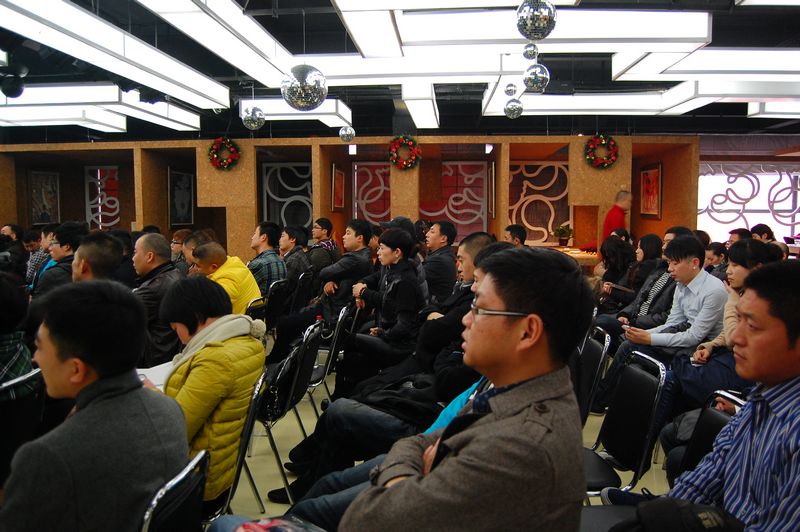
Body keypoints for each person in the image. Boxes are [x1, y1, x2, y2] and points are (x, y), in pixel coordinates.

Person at [335, 247, 594, 531]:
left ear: (528, 331)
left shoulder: (519, 448)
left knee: (319, 506)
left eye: (479, 309)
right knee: (331, 482)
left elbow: (364, 520)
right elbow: (422, 441)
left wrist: (400, 478)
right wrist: (413, 466)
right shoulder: (515, 387)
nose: (466, 319)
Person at [270, 233, 495, 506]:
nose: (469, 318)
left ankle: (314, 465)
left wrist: (394, 322)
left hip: (416, 380)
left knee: (351, 371)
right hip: (419, 376)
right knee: (354, 372)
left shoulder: (410, 279)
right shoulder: (404, 275)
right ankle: (315, 472)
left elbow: (432, 342)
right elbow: (429, 320)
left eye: (384, 248)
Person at [601, 260, 800, 531]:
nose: (735, 338)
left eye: (753, 326)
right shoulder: (761, 397)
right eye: (738, 319)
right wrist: (666, 513)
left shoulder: (791, 426)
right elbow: (711, 472)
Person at [0, 281, 188, 532]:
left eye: (40, 347)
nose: (35, 358)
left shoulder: (47, 457)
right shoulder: (169, 409)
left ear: (76, 369)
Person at [157, 277, 265, 515]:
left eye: (176, 329)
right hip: (219, 468)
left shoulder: (215, 360)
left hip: (194, 482)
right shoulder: (246, 342)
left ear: (195, 317)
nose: (179, 338)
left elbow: (176, 431)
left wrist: (151, 399)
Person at [594, 235, 728, 409]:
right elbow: (672, 322)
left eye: (675, 263)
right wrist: (644, 334)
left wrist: (649, 338)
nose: (670, 269)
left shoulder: (714, 291)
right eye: (669, 263)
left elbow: (694, 336)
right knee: (629, 343)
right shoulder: (682, 283)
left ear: (695, 263)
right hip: (682, 340)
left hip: (701, 352)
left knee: (629, 347)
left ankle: (600, 400)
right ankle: (602, 398)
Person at [267, 219, 372, 365]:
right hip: (335, 306)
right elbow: (334, 273)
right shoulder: (365, 256)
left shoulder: (353, 258)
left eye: (348, 233)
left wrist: (331, 278)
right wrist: (333, 279)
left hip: (330, 311)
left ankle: (276, 362)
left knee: (285, 323)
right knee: (292, 320)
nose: (343, 236)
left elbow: (324, 272)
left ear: (360, 238)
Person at [337, 228, 425, 398]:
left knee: (351, 339)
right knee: (355, 359)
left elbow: (405, 325)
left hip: (403, 346)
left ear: (397, 252)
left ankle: (344, 395)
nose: (378, 252)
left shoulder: (405, 280)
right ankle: (347, 395)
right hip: (394, 335)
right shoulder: (394, 271)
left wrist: (383, 333)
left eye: (382, 248)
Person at [131, 233, 184, 367]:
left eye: (135, 252)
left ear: (149, 256)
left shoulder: (154, 288)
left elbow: (121, 320)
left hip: (154, 361)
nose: (133, 258)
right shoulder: (176, 274)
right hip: (170, 356)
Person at [598, 233, 662, 314]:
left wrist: (613, 291)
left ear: (648, 249)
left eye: (639, 247)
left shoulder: (645, 267)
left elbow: (637, 297)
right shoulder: (648, 265)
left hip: (633, 312)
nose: (636, 251)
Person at [192, 242, 261, 314]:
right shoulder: (234, 264)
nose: (195, 268)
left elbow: (212, 308)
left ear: (213, 267)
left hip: (239, 319)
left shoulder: (227, 280)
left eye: (198, 265)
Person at [30, 221, 88, 299]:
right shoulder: (91, 269)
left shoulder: (51, 276)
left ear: (66, 246)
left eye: (53, 242)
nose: (50, 248)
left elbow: (38, 303)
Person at [248, 221, 286, 296]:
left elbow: (242, 289)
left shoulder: (258, 264)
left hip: (259, 303)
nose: (252, 237)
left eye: (255, 234)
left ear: (263, 237)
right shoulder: (281, 261)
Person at [423, 221, 457, 303]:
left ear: (443, 239)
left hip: (436, 307)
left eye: (432, 232)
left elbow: (417, 278)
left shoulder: (439, 260)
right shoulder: (443, 254)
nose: (427, 234)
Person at [307, 217, 341, 295]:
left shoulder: (320, 249)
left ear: (325, 231)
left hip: (321, 288)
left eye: (316, 227)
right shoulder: (333, 245)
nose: (312, 230)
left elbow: (314, 271)